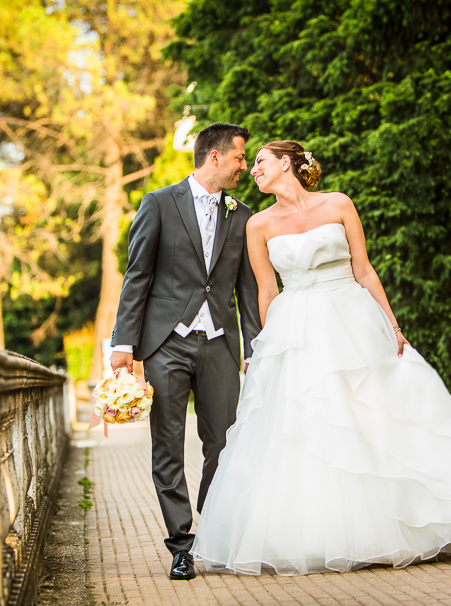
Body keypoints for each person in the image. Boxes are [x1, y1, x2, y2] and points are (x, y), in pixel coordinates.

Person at [190, 140, 451, 575]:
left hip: (352, 318)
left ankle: (406, 523)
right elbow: (266, 292)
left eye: (260, 162)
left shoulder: (338, 204)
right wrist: (266, 349)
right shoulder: (258, 225)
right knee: (314, 424)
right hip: (297, 329)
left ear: (285, 163)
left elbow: (364, 269)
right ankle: (328, 534)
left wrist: (393, 325)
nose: (252, 170)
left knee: (375, 415)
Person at [110, 123, 261, 581]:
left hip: (219, 344)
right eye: (238, 158)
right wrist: (123, 345)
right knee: (168, 447)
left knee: (223, 443)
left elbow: (247, 290)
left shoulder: (243, 214)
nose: (244, 167)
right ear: (214, 157)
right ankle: (181, 544)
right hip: (165, 344)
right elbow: (138, 275)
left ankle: (212, 527)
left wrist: (254, 349)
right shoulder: (158, 203)